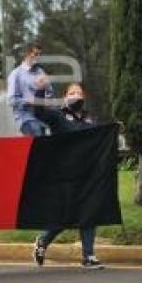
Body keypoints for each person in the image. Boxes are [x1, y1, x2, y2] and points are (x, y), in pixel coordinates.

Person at [30, 81, 105, 270]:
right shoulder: (58, 116)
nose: (75, 96)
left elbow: (100, 138)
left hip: (86, 175)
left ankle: (88, 256)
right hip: (64, 175)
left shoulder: (89, 121)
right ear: (65, 97)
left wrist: (113, 131)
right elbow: (38, 112)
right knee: (66, 216)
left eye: (78, 93)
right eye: (71, 93)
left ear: (84, 98)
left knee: (89, 213)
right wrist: (39, 89)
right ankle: (43, 240)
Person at [7, 43, 53, 136]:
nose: (38, 57)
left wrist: (47, 96)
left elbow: (50, 93)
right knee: (37, 133)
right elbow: (11, 101)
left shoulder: (41, 72)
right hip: (26, 118)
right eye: (36, 54)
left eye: (40, 54)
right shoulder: (16, 74)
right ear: (26, 54)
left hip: (41, 118)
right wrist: (29, 101)